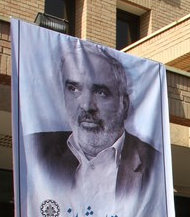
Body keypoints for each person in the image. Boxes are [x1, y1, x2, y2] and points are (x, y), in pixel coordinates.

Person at [26, 43, 160, 205]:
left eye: (101, 92)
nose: (86, 106)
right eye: (74, 89)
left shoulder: (154, 163)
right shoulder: (35, 149)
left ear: (124, 105)